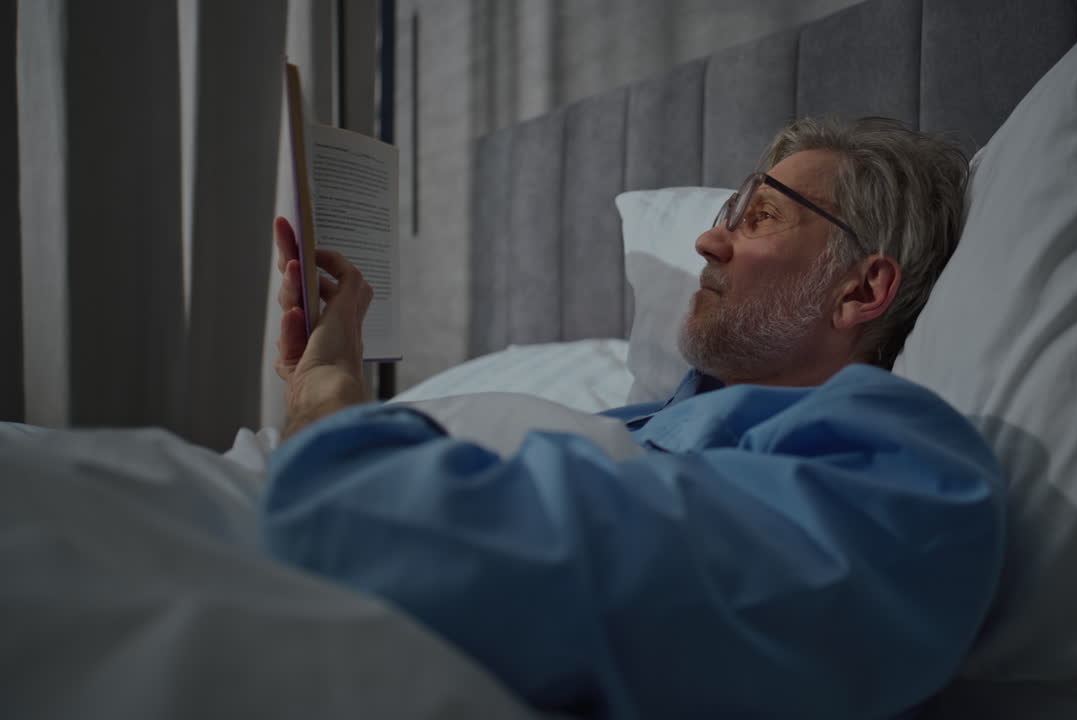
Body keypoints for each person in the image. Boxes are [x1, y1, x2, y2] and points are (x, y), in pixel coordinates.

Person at [264, 116, 1004, 719]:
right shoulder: (634, 421)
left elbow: (382, 537)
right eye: (726, 218)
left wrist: (328, 401)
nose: (709, 242)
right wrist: (324, 398)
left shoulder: (904, 475)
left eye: (760, 217)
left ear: (860, 289)